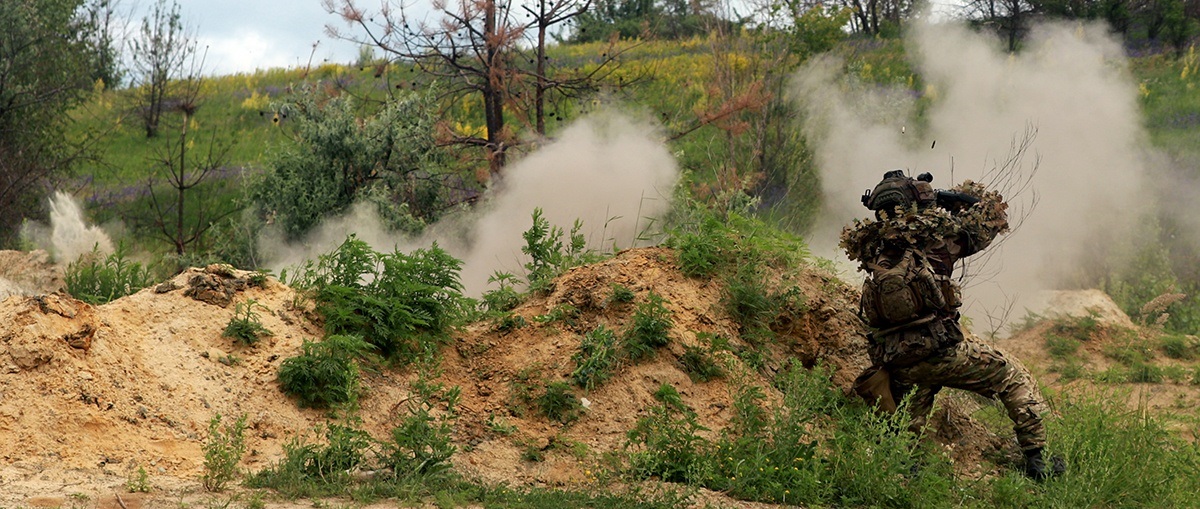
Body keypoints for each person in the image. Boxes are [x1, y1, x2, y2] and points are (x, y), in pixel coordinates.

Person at [840, 169, 1065, 480]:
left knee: (907, 430)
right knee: (1011, 378)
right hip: (943, 352)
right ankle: (1041, 461)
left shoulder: (871, 248)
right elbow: (990, 218)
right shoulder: (943, 239)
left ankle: (906, 478)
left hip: (898, 360)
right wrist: (954, 199)